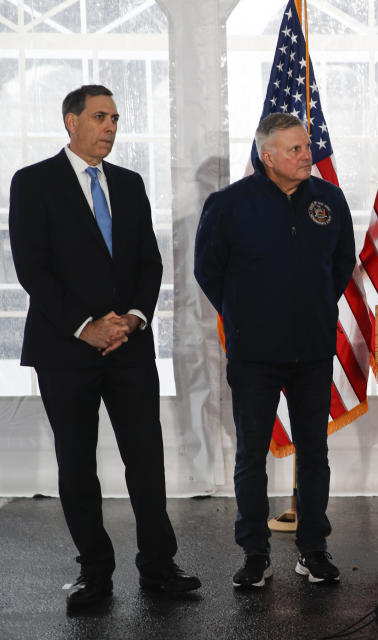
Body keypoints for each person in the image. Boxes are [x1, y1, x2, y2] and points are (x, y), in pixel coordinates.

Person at [8, 85, 201, 608]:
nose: (110, 126)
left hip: (130, 347)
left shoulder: (130, 183)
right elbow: (33, 268)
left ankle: (159, 567)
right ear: (70, 121)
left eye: (115, 117)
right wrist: (84, 326)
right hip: (65, 349)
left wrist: (134, 319)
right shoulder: (33, 182)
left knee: (146, 459)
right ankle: (94, 572)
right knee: (77, 463)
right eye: (99, 117)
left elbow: (149, 263)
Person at [194, 113, 356, 589]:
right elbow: (209, 271)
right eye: (294, 150)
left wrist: (318, 305)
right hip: (254, 352)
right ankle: (255, 553)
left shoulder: (329, 200)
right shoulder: (228, 204)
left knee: (314, 452)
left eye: (306, 147)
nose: (307, 156)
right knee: (251, 455)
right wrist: (246, 315)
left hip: (312, 348)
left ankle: (313, 549)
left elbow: (342, 263)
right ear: (267, 157)